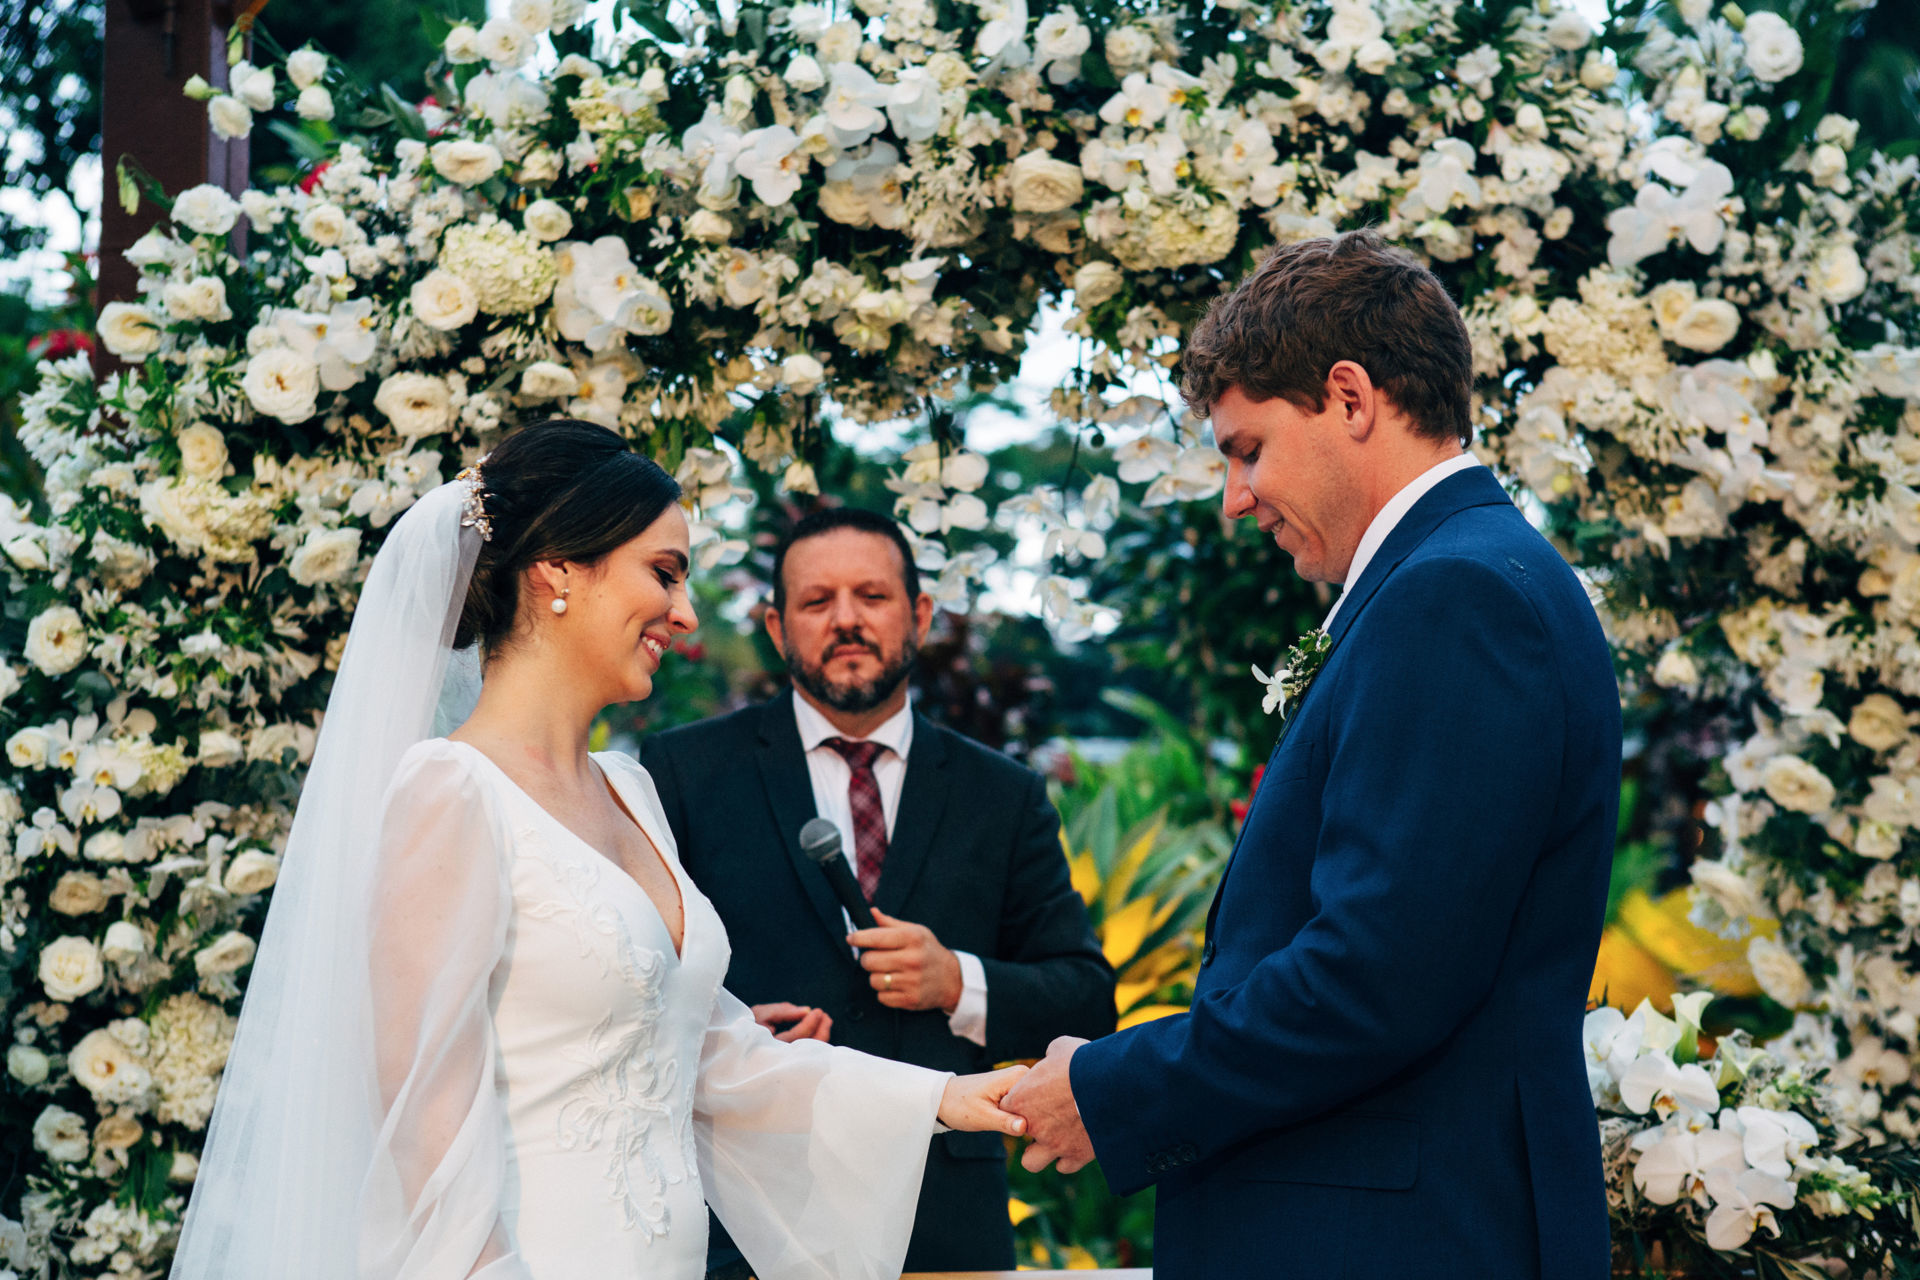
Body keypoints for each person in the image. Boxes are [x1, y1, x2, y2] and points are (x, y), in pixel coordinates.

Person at [169, 420, 1028, 1280]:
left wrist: (939, 1099)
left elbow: (711, 1057)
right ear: (558, 571)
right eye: (663, 574)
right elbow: (424, 1134)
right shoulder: (451, 791)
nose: (685, 614)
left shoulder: (632, 790)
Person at [1005, 230, 1621, 1280]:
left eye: (1247, 449)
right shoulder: (1460, 578)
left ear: (1349, 397)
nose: (1235, 499)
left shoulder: (1455, 598)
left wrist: (1114, 1085)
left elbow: (1376, 975)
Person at [643, 507, 1116, 1276]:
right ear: (776, 626)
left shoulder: (1005, 795)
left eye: (871, 596)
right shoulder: (683, 774)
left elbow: (1086, 1000)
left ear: (920, 614)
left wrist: (958, 981)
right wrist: (733, 1027)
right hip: (745, 1217)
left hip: (944, 1221)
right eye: (817, 601)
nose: (846, 621)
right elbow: (638, 983)